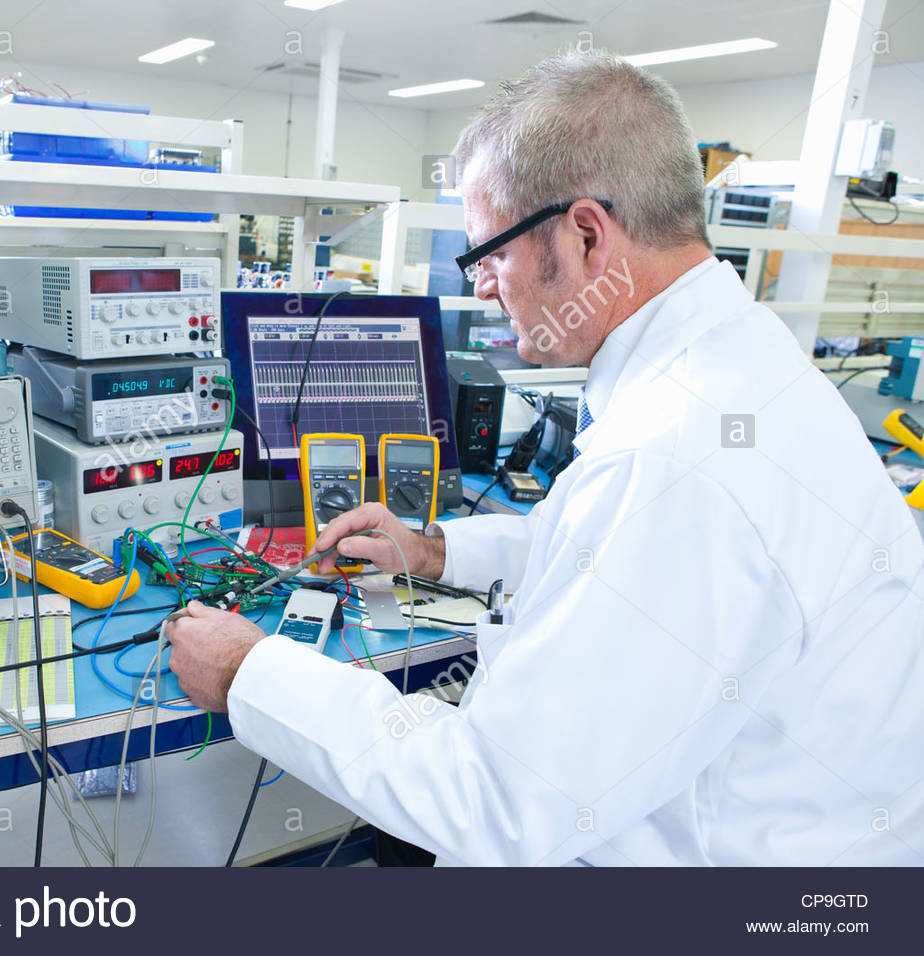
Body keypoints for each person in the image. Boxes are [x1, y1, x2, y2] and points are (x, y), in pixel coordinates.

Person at [164, 50, 924, 865]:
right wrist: (436, 550)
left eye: (489, 255)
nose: (485, 287)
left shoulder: (677, 455)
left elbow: (498, 802)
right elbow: (601, 550)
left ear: (587, 234)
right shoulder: (734, 363)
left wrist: (251, 673)